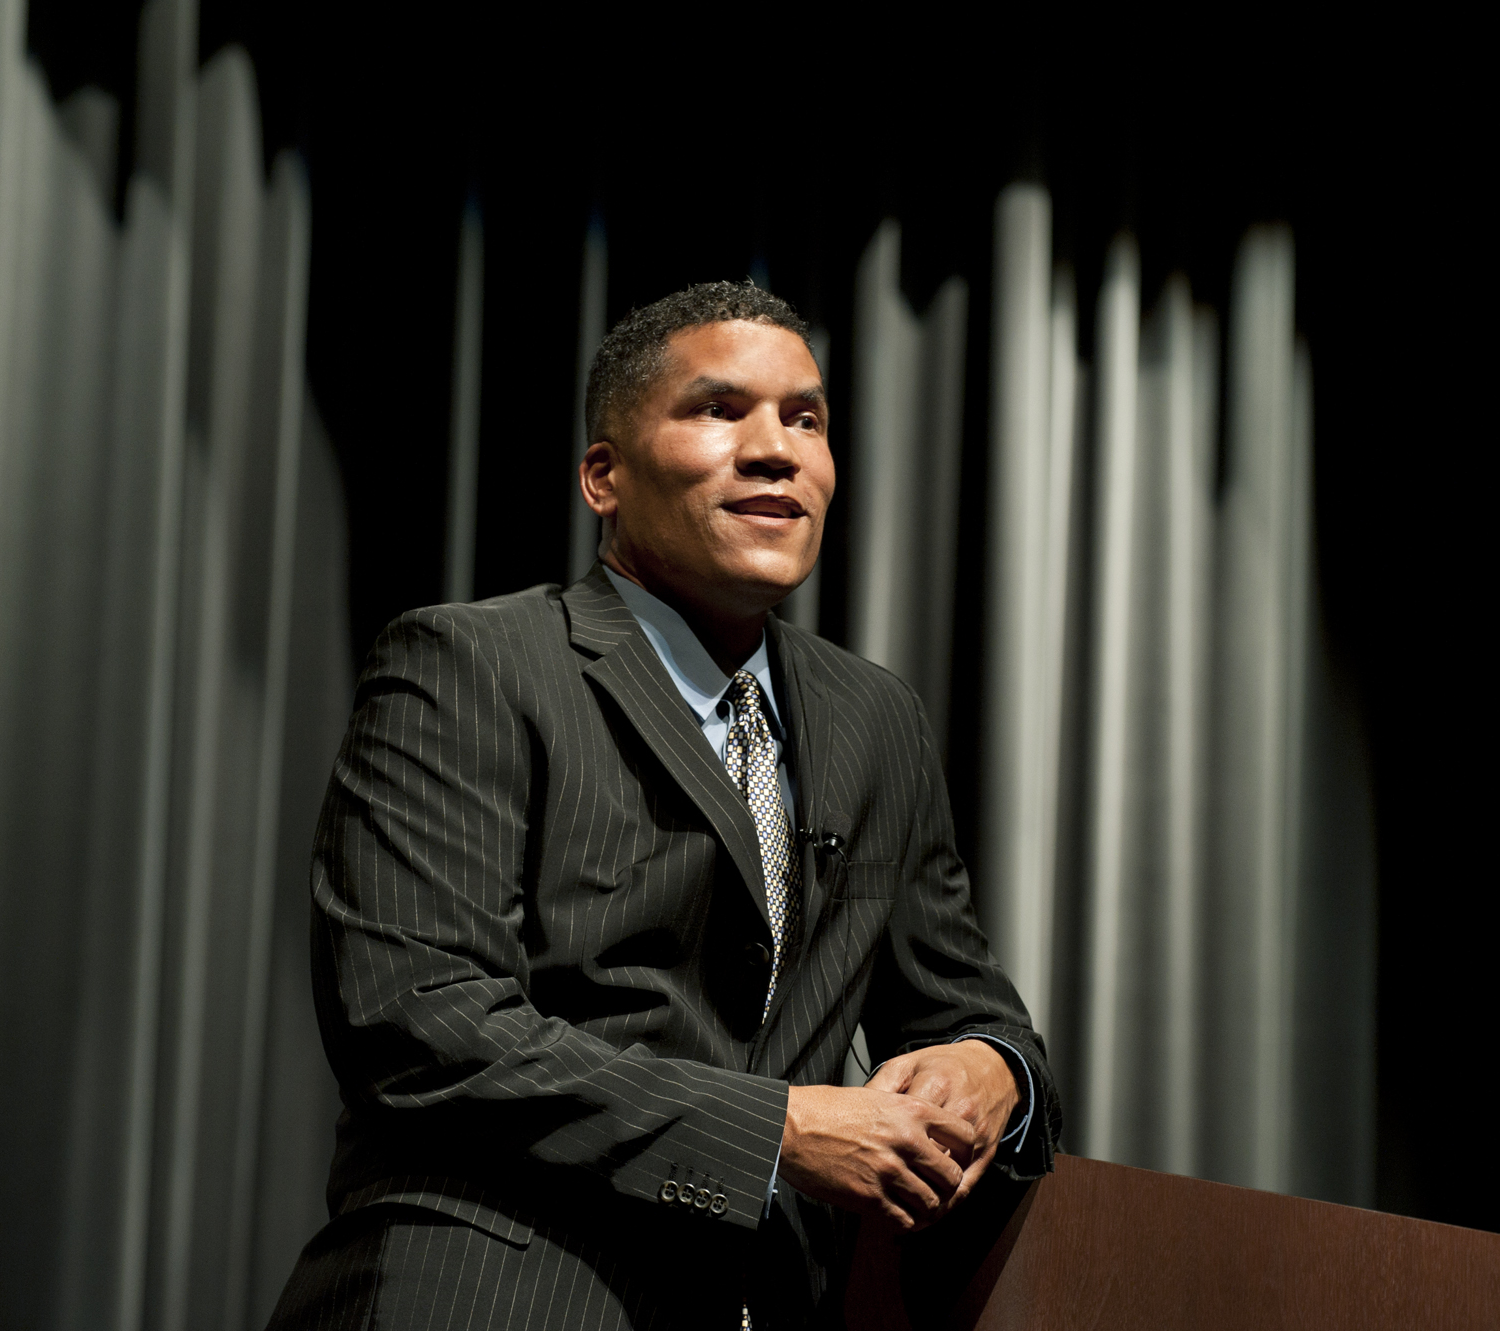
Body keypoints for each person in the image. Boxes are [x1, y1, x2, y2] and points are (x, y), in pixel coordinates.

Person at [269, 282, 1059, 1330]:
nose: (776, 448)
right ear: (602, 476)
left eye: (805, 417)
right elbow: (420, 1025)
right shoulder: (471, 664)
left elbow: (970, 1009)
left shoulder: (878, 721)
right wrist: (771, 1131)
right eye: (718, 409)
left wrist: (989, 1069)